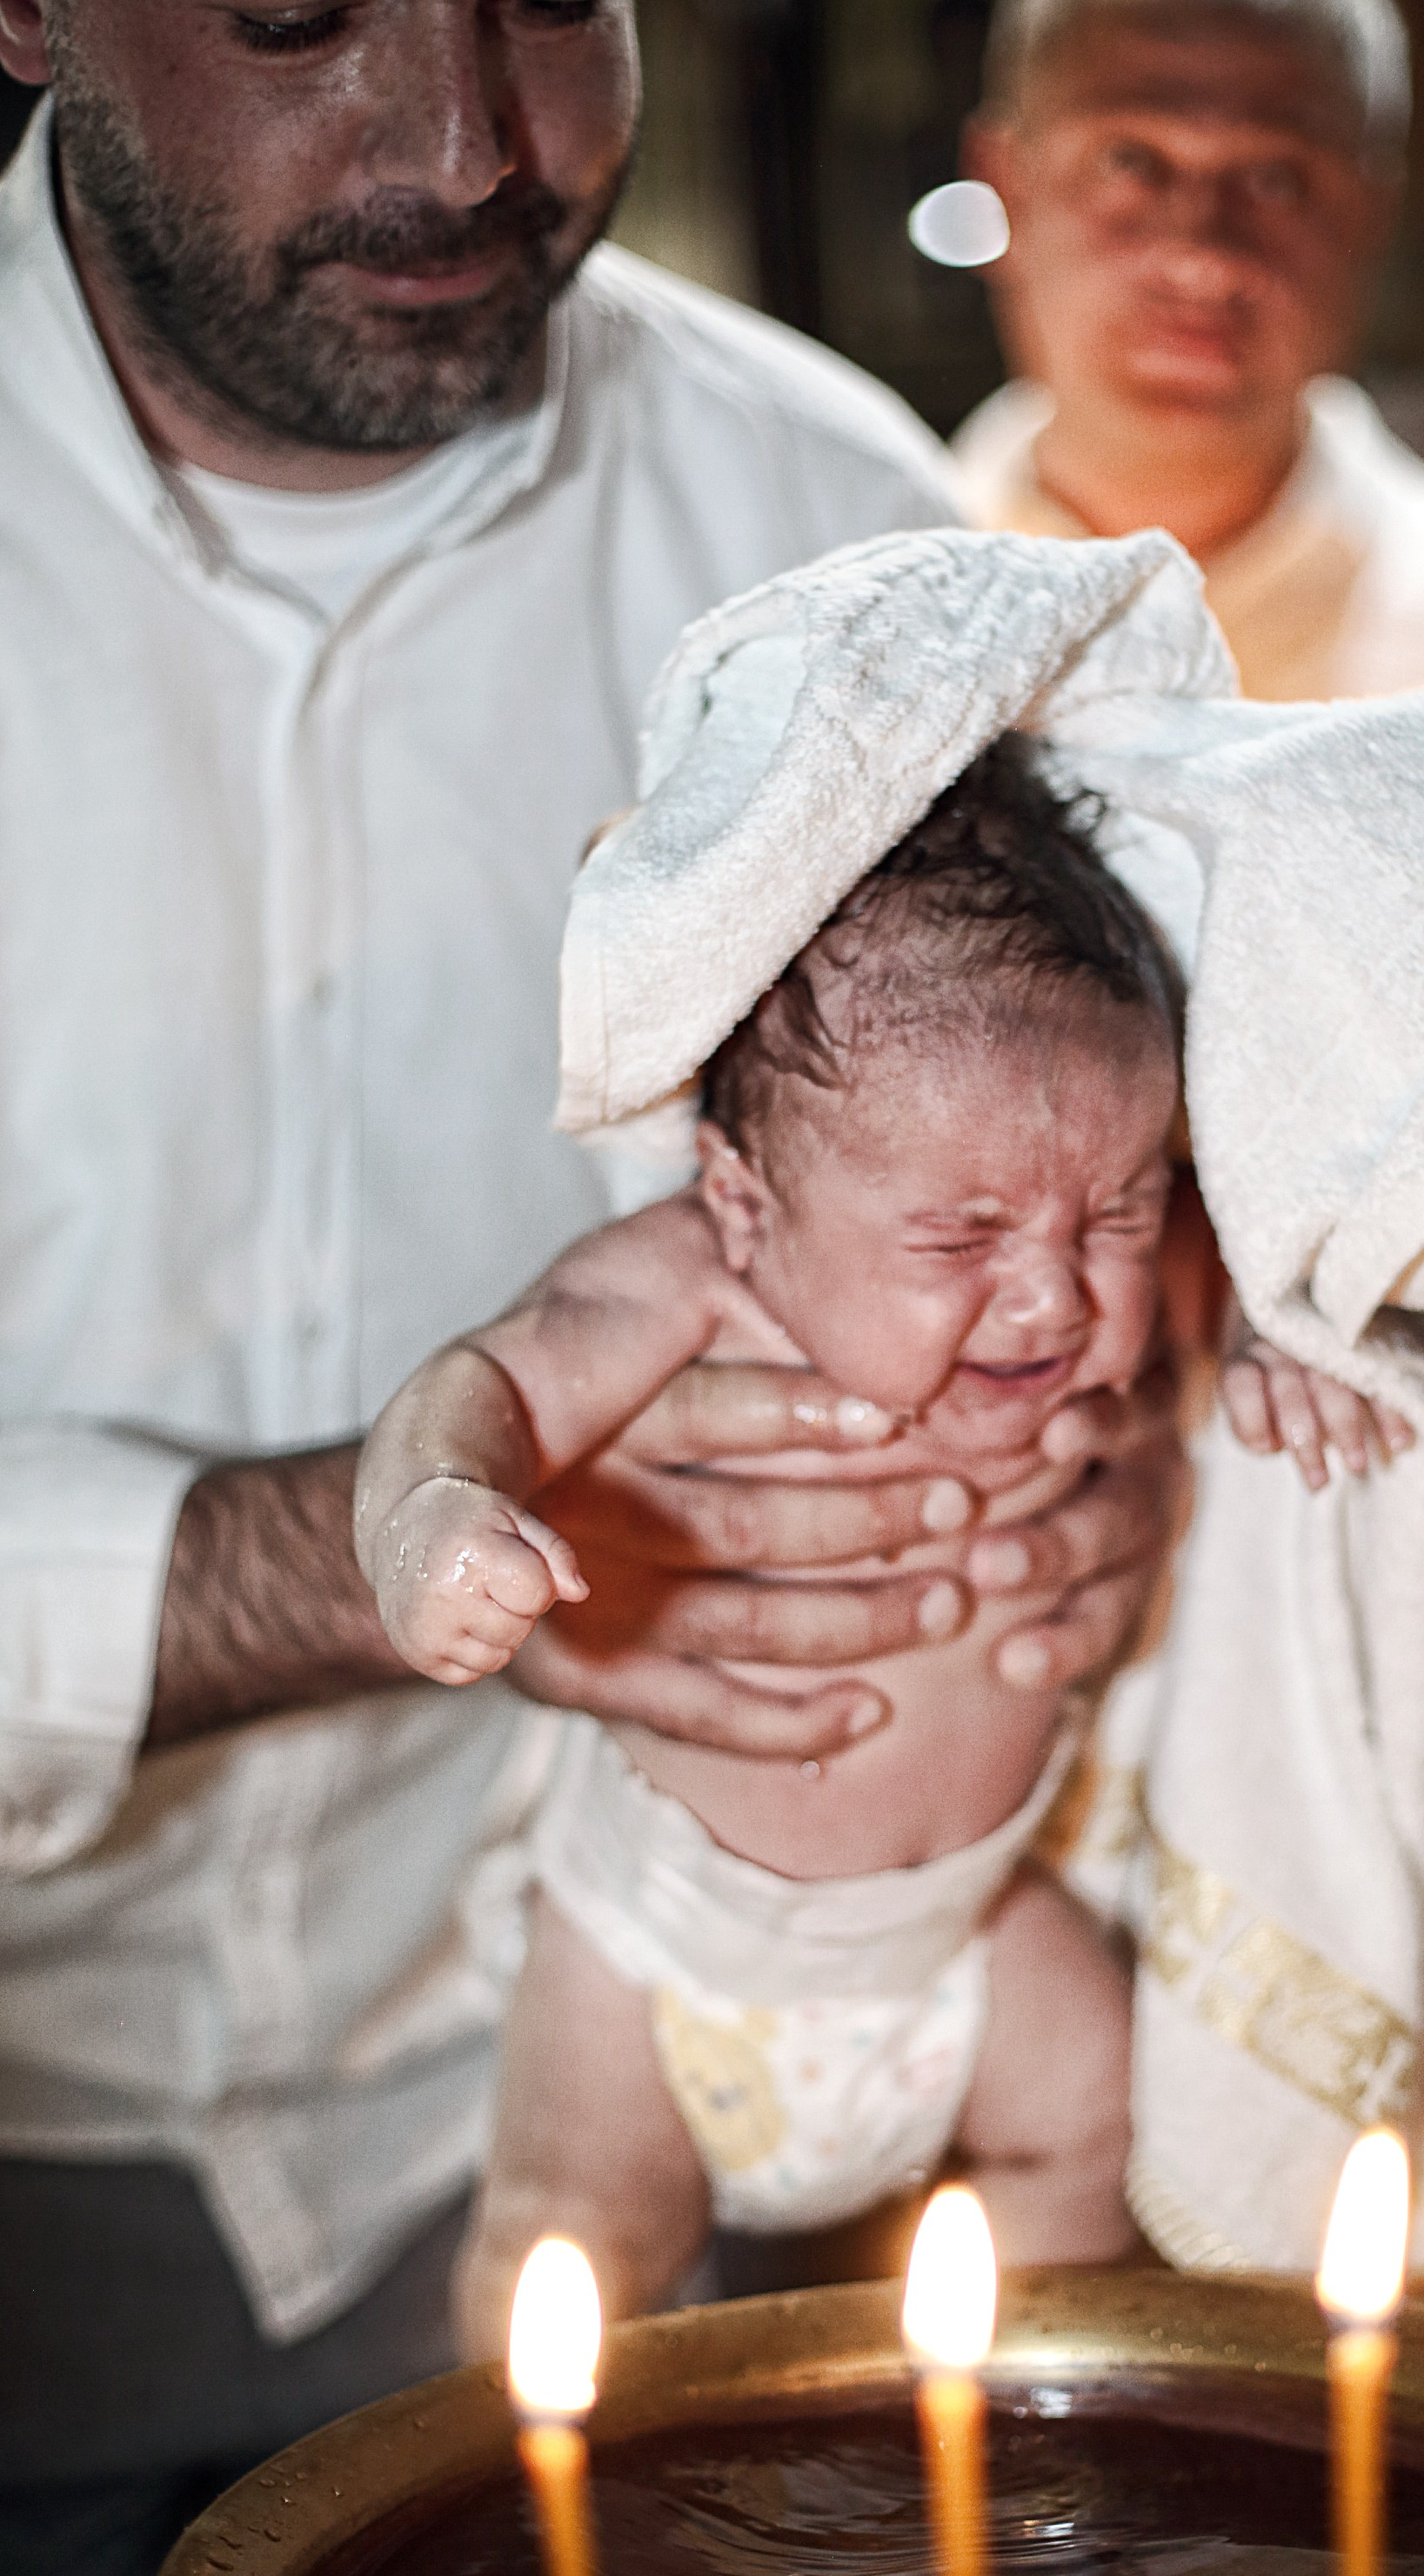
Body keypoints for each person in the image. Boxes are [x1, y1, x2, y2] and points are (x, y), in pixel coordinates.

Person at [0, 6, 1175, 2576]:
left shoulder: (848, 543)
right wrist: (381, 1555)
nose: (471, 140)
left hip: (709, 2156)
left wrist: (1115, 1475)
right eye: (306, 6)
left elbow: (1117, 1185)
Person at [358, 743, 1176, 2346]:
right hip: (664, 1951)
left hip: (961, 1931)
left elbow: (1261, 1287)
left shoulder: (1075, 1299)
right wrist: (433, 1510)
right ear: (741, 1199)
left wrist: (1312, 1363)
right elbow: (482, 1382)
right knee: (570, 2242)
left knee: (1102, 2129)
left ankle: (983, 2441)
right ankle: (563, 2549)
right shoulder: (690, 1286)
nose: (1053, 1295)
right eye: (961, 1234)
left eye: (1123, 1213)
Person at [953, 0, 1424, 703]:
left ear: (1370, 212)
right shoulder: (854, 610)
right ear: (1003, 181)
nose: (1201, 256)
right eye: (1131, 161)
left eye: (1276, 179)